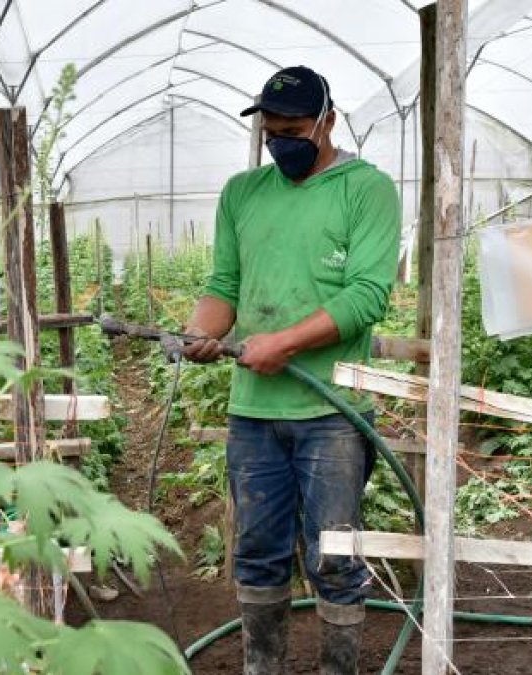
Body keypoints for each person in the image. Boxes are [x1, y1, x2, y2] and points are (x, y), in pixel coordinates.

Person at [180, 66, 400, 675]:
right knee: (257, 551)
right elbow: (223, 287)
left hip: (332, 411)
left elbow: (366, 297)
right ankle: (263, 666)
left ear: (328, 121)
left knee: (334, 553)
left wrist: (285, 343)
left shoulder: (366, 189)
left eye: (295, 130)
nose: (282, 142)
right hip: (252, 412)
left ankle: (338, 667)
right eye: (272, 132)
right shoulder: (243, 193)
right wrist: (204, 330)